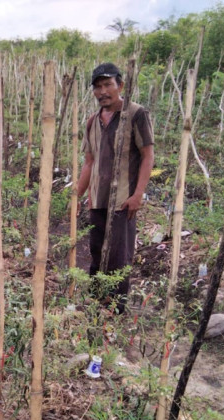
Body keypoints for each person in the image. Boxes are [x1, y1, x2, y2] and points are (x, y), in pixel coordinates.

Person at [75, 62, 154, 312]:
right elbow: (89, 162)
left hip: (123, 201)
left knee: (119, 258)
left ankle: (115, 313)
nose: (103, 91)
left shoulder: (136, 114)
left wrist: (138, 194)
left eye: (108, 85)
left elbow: (147, 156)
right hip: (97, 200)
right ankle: (96, 307)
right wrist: (77, 195)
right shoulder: (92, 121)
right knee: (97, 253)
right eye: (97, 87)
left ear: (120, 85)